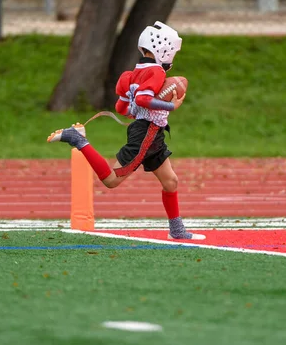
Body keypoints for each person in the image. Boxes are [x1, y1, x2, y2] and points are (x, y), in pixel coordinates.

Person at [48, 21, 205, 240]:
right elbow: (142, 98)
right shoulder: (156, 71)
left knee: (171, 181)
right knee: (112, 180)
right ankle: (78, 140)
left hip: (149, 131)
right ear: (163, 49)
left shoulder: (129, 75)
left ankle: (177, 231)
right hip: (147, 133)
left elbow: (121, 107)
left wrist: (138, 109)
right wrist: (171, 106)